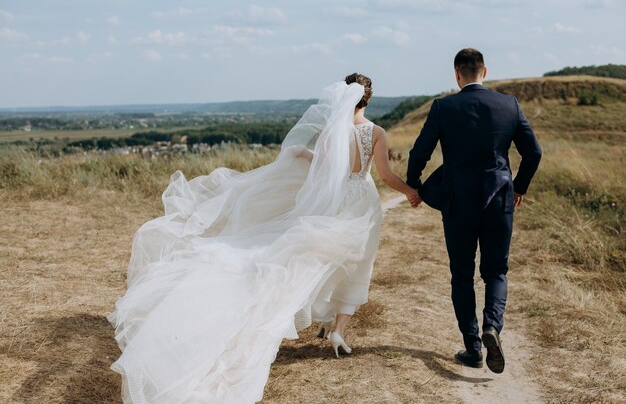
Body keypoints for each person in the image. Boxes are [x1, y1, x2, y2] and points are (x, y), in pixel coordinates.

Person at [108, 73, 418, 404]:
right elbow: (384, 175)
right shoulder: (376, 133)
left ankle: (327, 322)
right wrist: (411, 192)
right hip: (362, 199)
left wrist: (303, 155)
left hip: (335, 198)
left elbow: (324, 170)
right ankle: (338, 329)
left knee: (320, 255)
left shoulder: (331, 131)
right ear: (368, 100)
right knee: (358, 261)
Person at [406, 48, 542, 374]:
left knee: (462, 274)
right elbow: (533, 152)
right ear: (485, 71)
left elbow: (420, 150)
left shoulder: (444, 107)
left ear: (457, 74)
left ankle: (473, 347)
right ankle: (492, 327)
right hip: (499, 200)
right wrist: (519, 187)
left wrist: (414, 184)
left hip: (458, 202)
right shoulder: (509, 104)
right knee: (496, 272)